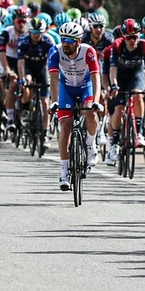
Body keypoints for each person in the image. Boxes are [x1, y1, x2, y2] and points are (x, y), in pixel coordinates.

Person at [48, 22, 102, 189]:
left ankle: (91, 144)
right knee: (65, 126)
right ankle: (64, 173)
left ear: (78, 41)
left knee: (90, 112)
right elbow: (54, 79)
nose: (65, 43)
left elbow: (95, 78)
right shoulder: (55, 51)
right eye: (63, 39)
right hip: (66, 89)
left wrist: (96, 101)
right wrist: (55, 100)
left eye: (69, 40)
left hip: (86, 87)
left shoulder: (88, 52)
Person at [107, 19, 145, 163]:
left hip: (136, 75)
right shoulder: (117, 46)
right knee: (119, 109)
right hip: (120, 77)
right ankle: (114, 142)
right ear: (123, 37)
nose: (132, 40)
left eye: (135, 37)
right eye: (129, 37)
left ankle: (138, 132)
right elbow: (112, 69)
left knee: (138, 96)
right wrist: (114, 85)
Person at [17, 17, 57, 149]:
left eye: (38, 32)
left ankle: (45, 133)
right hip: (28, 68)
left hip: (42, 68)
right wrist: (23, 78)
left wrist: (54, 78)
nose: (35, 35)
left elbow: (54, 62)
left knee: (45, 103)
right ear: (29, 32)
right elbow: (21, 62)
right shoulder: (23, 41)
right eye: (33, 32)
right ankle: (25, 108)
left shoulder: (48, 41)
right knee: (27, 84)